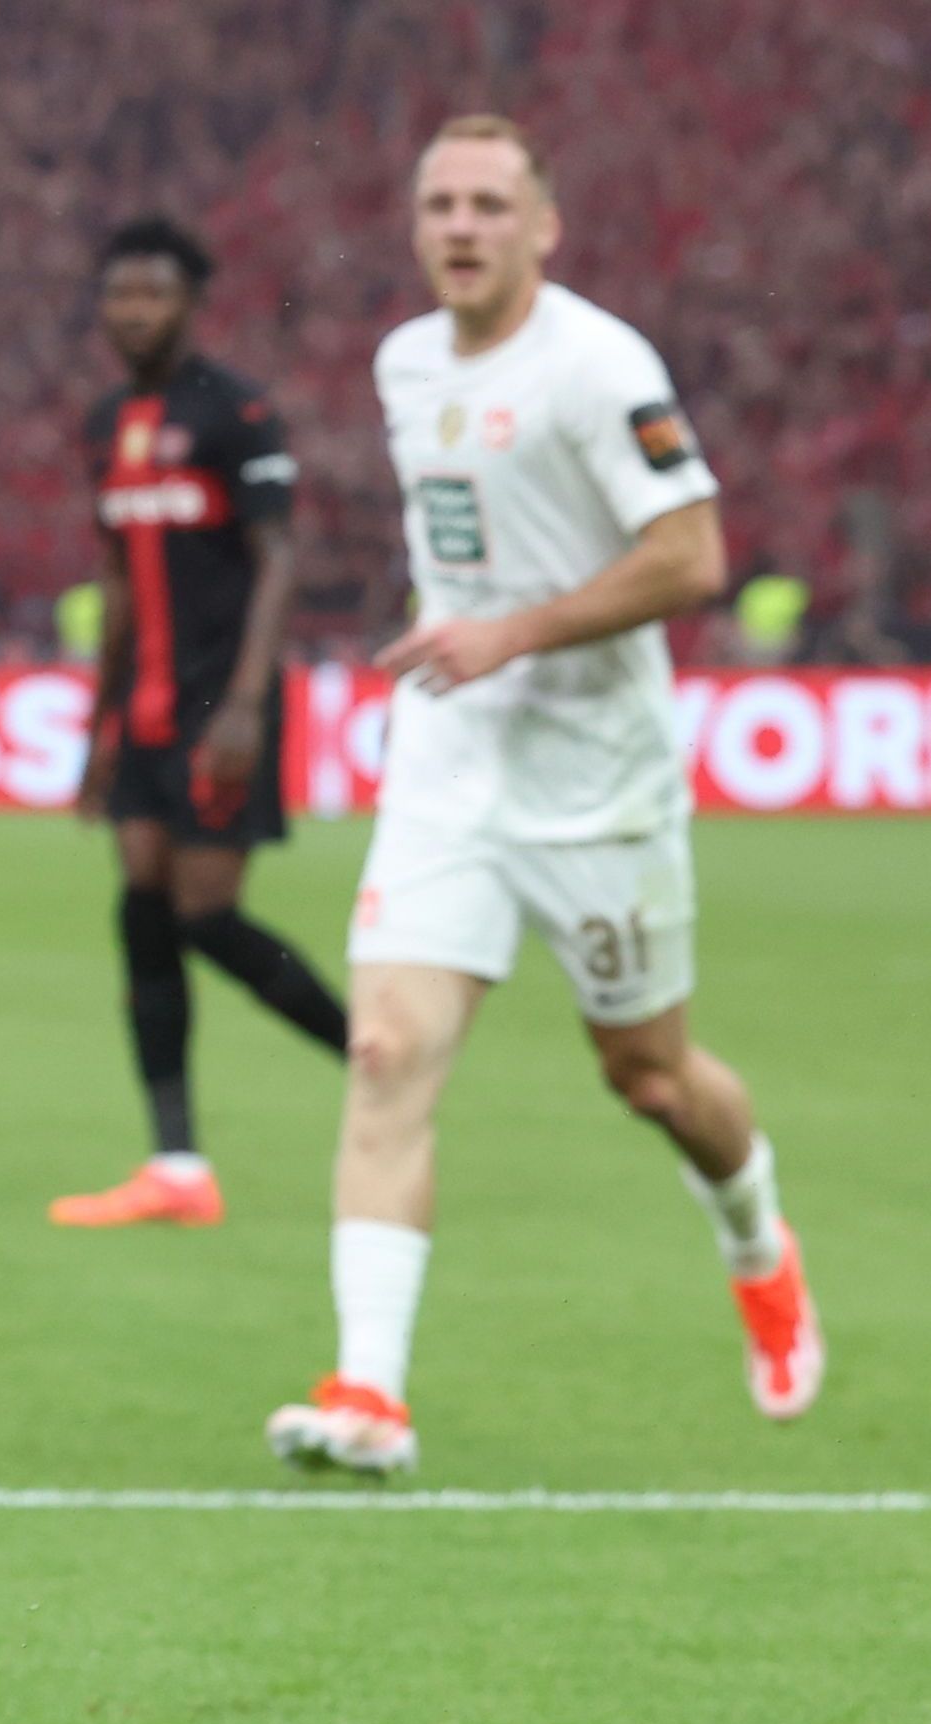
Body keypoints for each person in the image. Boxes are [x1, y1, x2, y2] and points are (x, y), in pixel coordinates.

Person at [271, 118, 820, 1477]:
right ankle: (370, 1396)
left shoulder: (597, 365)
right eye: (440, 204)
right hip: (452, 763)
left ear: (542, 226)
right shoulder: (404, 361)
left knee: (648, 1076)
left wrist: (510, 632)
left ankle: (759, 1245)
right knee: (388, 1052)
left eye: (489, 205)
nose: (460, 226)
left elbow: (694, 557)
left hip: (599, 780)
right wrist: (466, 634)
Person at [52, 217, 349, 1229]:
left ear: (189, 304)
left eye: (152, 293)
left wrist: (253, 708)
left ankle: (369, 1058)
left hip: (223, 705)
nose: (132, 311)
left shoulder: (235, 411)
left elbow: (277, 560)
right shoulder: (104, 422)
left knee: (206, 915)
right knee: (141, 910)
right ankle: (176, 1164)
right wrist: (98, 725)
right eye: (118, 294)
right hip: (141, 714)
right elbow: (113, 577)